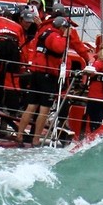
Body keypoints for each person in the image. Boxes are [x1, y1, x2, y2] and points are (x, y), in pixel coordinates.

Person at [15, 16, 71, 146]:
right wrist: (66, 37)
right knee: (44, 110)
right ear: (61, 27)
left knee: (31, 106)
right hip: (47, 76)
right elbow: (59, 48)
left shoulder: (44, 33)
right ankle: (35, 140)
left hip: (37, 73)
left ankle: (19, 135)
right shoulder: (55, 36)